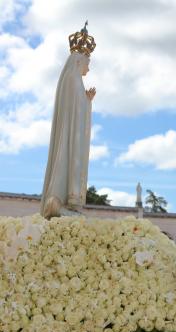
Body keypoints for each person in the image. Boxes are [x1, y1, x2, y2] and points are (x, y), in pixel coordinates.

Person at [41, 22, 96, 218]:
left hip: (73, 136)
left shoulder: (74, 82)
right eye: (87, 65)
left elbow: (77, 112)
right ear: (78, 62)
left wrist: (88, 103)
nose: (88, 70)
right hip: (70, 139)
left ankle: (61, 204)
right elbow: (73, 116)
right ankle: (57, 204)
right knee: (65, 161)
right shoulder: (73, 81)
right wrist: (86, 103)